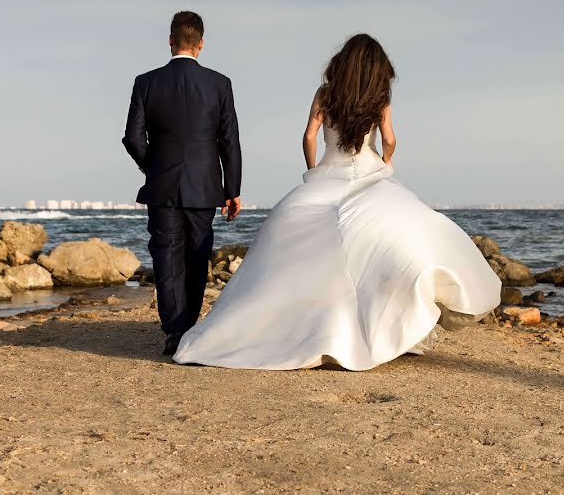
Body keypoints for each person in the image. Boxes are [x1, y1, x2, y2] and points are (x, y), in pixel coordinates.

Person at [174, 34, 500, 370]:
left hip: (328, 173)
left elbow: (309, 136)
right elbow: (389, 139)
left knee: (300, 247)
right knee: (389, 244)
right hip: (368, 174)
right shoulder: (380, 98)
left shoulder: (325, 94)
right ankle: (384, 326)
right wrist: (385, 162)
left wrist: (312, 170)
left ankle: (289, 323)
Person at [122, 11, 242, 356]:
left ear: (171, 40)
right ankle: (188, 328)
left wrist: (154, 167)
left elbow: (133, 137)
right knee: (197, 254)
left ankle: (174, 331)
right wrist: (232, 189)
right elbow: (229, 140)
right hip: (205, 186)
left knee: (165, 257)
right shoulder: (220, 84)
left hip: (163, 185)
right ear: (201, 44)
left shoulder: (146, 82)